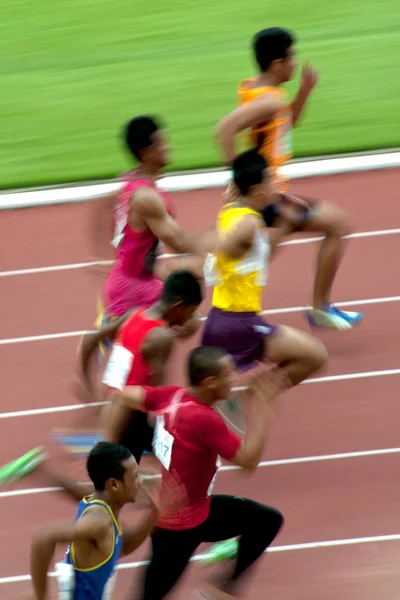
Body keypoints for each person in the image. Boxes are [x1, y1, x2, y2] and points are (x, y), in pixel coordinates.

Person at [105, 345, 285, 600]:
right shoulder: (203, 419)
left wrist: (109, 446)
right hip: (177, 528)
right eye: (228, 374)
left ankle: (223, 593)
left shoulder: (172, 396)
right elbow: (248, 461)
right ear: (210, 382)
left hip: (201, 511)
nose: (234, 379)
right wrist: (265, 408)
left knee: (267, 520)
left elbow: (122, 396)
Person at [215, 27, 364, 330]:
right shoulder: (268, 101)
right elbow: (224, 130)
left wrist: (304, 92)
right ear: (276, 64)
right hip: (264, 193)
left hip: (265, 191)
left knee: (265, 247)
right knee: (336, 224)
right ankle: (318, 308)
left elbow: (285, 123)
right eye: (291, 58)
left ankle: (233, 279)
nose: (295, 63)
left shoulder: (256, 89)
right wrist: (238, 177)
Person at [202, 148, 328, 385]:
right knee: (315, 355)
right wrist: (285, 225)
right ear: (257, 190)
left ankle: (259, 393)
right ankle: (260, 390)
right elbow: (219, 255)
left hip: (221, 318)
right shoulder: (250, 223)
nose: (276, 183)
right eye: (270, 179)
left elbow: (255, 257)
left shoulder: (230, 211)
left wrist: (283, 226)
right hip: (240, 322)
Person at [89, 115, 209, 347]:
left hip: (139, 278)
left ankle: (121, 331)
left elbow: (101, 205)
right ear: (146, 152)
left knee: (189, 320)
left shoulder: (131, 180)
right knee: (145, 354)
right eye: (162, 144)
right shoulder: (147, 198)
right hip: (132, 289)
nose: (168, 147)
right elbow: (179, 244)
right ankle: (116, 331)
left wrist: (107, 254)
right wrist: (217, 243)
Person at [76, 270, 203, 464]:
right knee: (115, 483)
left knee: (182, 457)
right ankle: (40, 470)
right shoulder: (162, 337)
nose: (190, 318)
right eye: (191, 311)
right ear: (178, 306)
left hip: (115, 408)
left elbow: (91, 339)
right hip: (130, 421)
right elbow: (157, 396)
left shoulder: (133, 315)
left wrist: (88, 385)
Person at [30, 441, 159, 600]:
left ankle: (37, 466)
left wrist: (155, 513)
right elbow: (44, 536)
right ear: (113, 484)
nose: (140, 481)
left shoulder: (99, 501)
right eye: (135, 477)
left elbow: (124, 545)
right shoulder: (99, 523)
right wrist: (41, 597)